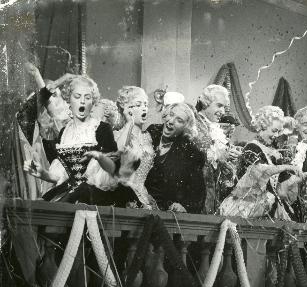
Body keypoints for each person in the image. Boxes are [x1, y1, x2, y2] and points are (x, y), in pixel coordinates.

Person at [19, 68, 138, 206]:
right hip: (71, 191)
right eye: (77, 97)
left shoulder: (102, 129)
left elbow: (113, 170)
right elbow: (62, 175)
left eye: (87, 98)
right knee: (44, 207)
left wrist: (99, 156)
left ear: (92, 102)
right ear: (69, 100)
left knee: (75, 197)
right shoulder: (64, 132)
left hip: (96, 193)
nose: (82, 102)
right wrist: (43, 173)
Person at [220, 105, 307, 220]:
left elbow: (281, 187)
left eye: (278, 132)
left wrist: (300, 177)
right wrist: (286, 167)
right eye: (274, 131)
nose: (276, 135)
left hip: (270, 207)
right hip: (250, 207)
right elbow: (260, 178)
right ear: (262, 126)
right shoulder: (252, 148)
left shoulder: (274, 153)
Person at [145, 103, 206, 213]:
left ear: (185, 128)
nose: (171, 121)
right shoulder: (151, 132)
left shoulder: (191, 152)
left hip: (166, 212)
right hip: (138, 203)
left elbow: (197, 192)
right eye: (171, 115)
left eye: (179, 120)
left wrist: (184, 207)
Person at [195, 84, 242, 214]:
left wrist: (229, 159)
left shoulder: (215, 128)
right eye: (219, 105)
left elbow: (219, 162)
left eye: (224, 107)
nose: (222, 112)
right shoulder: (195, 124)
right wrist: (222, 156)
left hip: (213, 193)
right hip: (197, 192)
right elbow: (198, 156)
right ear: (206, 103)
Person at [113, 85, 157, 209]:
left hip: (144, 196)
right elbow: (118, 151)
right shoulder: (117, 135)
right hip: (124, 195)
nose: (144, 108)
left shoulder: (148, 136)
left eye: (145, 105)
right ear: (126, 109)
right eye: (138, 105)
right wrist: (129, 122)